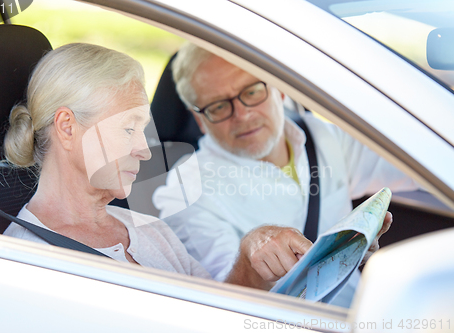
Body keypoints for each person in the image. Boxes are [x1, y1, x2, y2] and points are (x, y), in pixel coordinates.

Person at [2, 43, 314, 290]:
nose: (144, 151)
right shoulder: (29, 262)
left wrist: (249, 258)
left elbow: (217, 314)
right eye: (128, 129)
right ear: (68, 128)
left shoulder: (150, 230)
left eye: (143, 130)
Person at [152, 43, 412, 306]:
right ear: (200, 121)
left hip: (359, 313)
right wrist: (249, 260)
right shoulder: (186, 191)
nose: (242, 115)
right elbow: (221, 305)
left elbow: (419, 160)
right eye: (218, 107)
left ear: (280, 89)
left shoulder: (324, 137)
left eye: (252, 91)